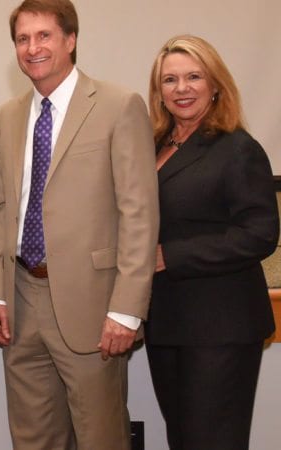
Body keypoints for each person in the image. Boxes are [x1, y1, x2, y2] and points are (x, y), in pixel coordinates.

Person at [0, 1, 159, 448]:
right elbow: (0, 208)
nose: (32, 48)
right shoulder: (8, 116)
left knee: (101, 437)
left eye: (44, 36)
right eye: (23, 39)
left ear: (70, 40)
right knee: (34, 439)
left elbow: (139, 214)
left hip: (94, 305)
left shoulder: (120, 106)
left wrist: (126, 309)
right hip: (20, 301)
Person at [145, 34, 278, 450]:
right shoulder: (153, 147)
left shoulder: (238, 148)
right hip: (167, 322)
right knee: (182, 440)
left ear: (215, 85)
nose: (181, 89)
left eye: (193, 77)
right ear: (159, 92)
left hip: (221, 327)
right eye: (170, 80)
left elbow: (260, 234)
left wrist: (171, 256)